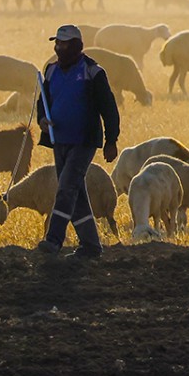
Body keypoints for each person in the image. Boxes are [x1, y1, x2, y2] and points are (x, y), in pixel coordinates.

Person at [34, 24, 120, 259]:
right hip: (58, 140)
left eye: (64, 44)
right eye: (57, 44)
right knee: (76, 193)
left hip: (83, 141)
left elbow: (109, 108)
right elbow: (43, 101)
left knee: (66, 188)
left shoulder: (93, 72)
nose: (59, 48)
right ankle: (91, 246)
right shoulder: (51, 71)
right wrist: (43, 119)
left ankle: (53, 240)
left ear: (76, 46)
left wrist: (112, 140)